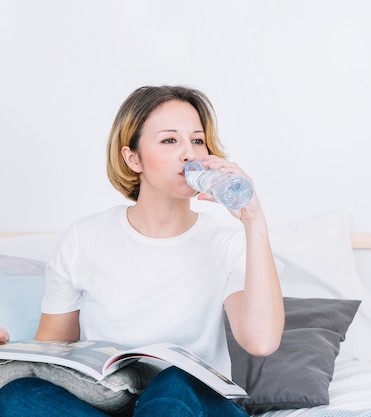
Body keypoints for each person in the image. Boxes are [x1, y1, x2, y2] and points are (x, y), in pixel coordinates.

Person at [0, 85, 284, 417]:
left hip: (195, 405)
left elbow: (261, 342)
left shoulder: (226, 242)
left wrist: (253, 220)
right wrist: (12, 353)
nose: (189, 154)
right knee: (17, 394)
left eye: (196, 140)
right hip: (110, 400)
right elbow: (53, 350)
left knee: (174, 380)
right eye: (169, 140)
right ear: (132, 158)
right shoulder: (83, 238)